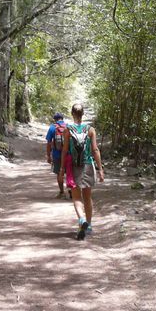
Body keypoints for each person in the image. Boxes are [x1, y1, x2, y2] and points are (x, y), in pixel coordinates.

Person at [60, 102, 104, 240]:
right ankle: (89, 225)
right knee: (87, 196)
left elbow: (65, 150)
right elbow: (95, 150)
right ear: (83, 114)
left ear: (72, 114)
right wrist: (100, 169)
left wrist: (62, 169)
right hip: (88, 166)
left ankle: (81, 220)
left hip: (74, 167)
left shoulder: (67, 130)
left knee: (76, 196)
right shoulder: (90, 130)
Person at [45, 112, 67, 198]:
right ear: (62, 118)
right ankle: (71, 191)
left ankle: (62, 192)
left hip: (57, 154)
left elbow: (48, 143)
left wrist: (48, 156)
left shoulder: (52, 128)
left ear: (55, 120)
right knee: (69, 173)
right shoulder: (68, 127)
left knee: (59, 173)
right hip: (68, 154)